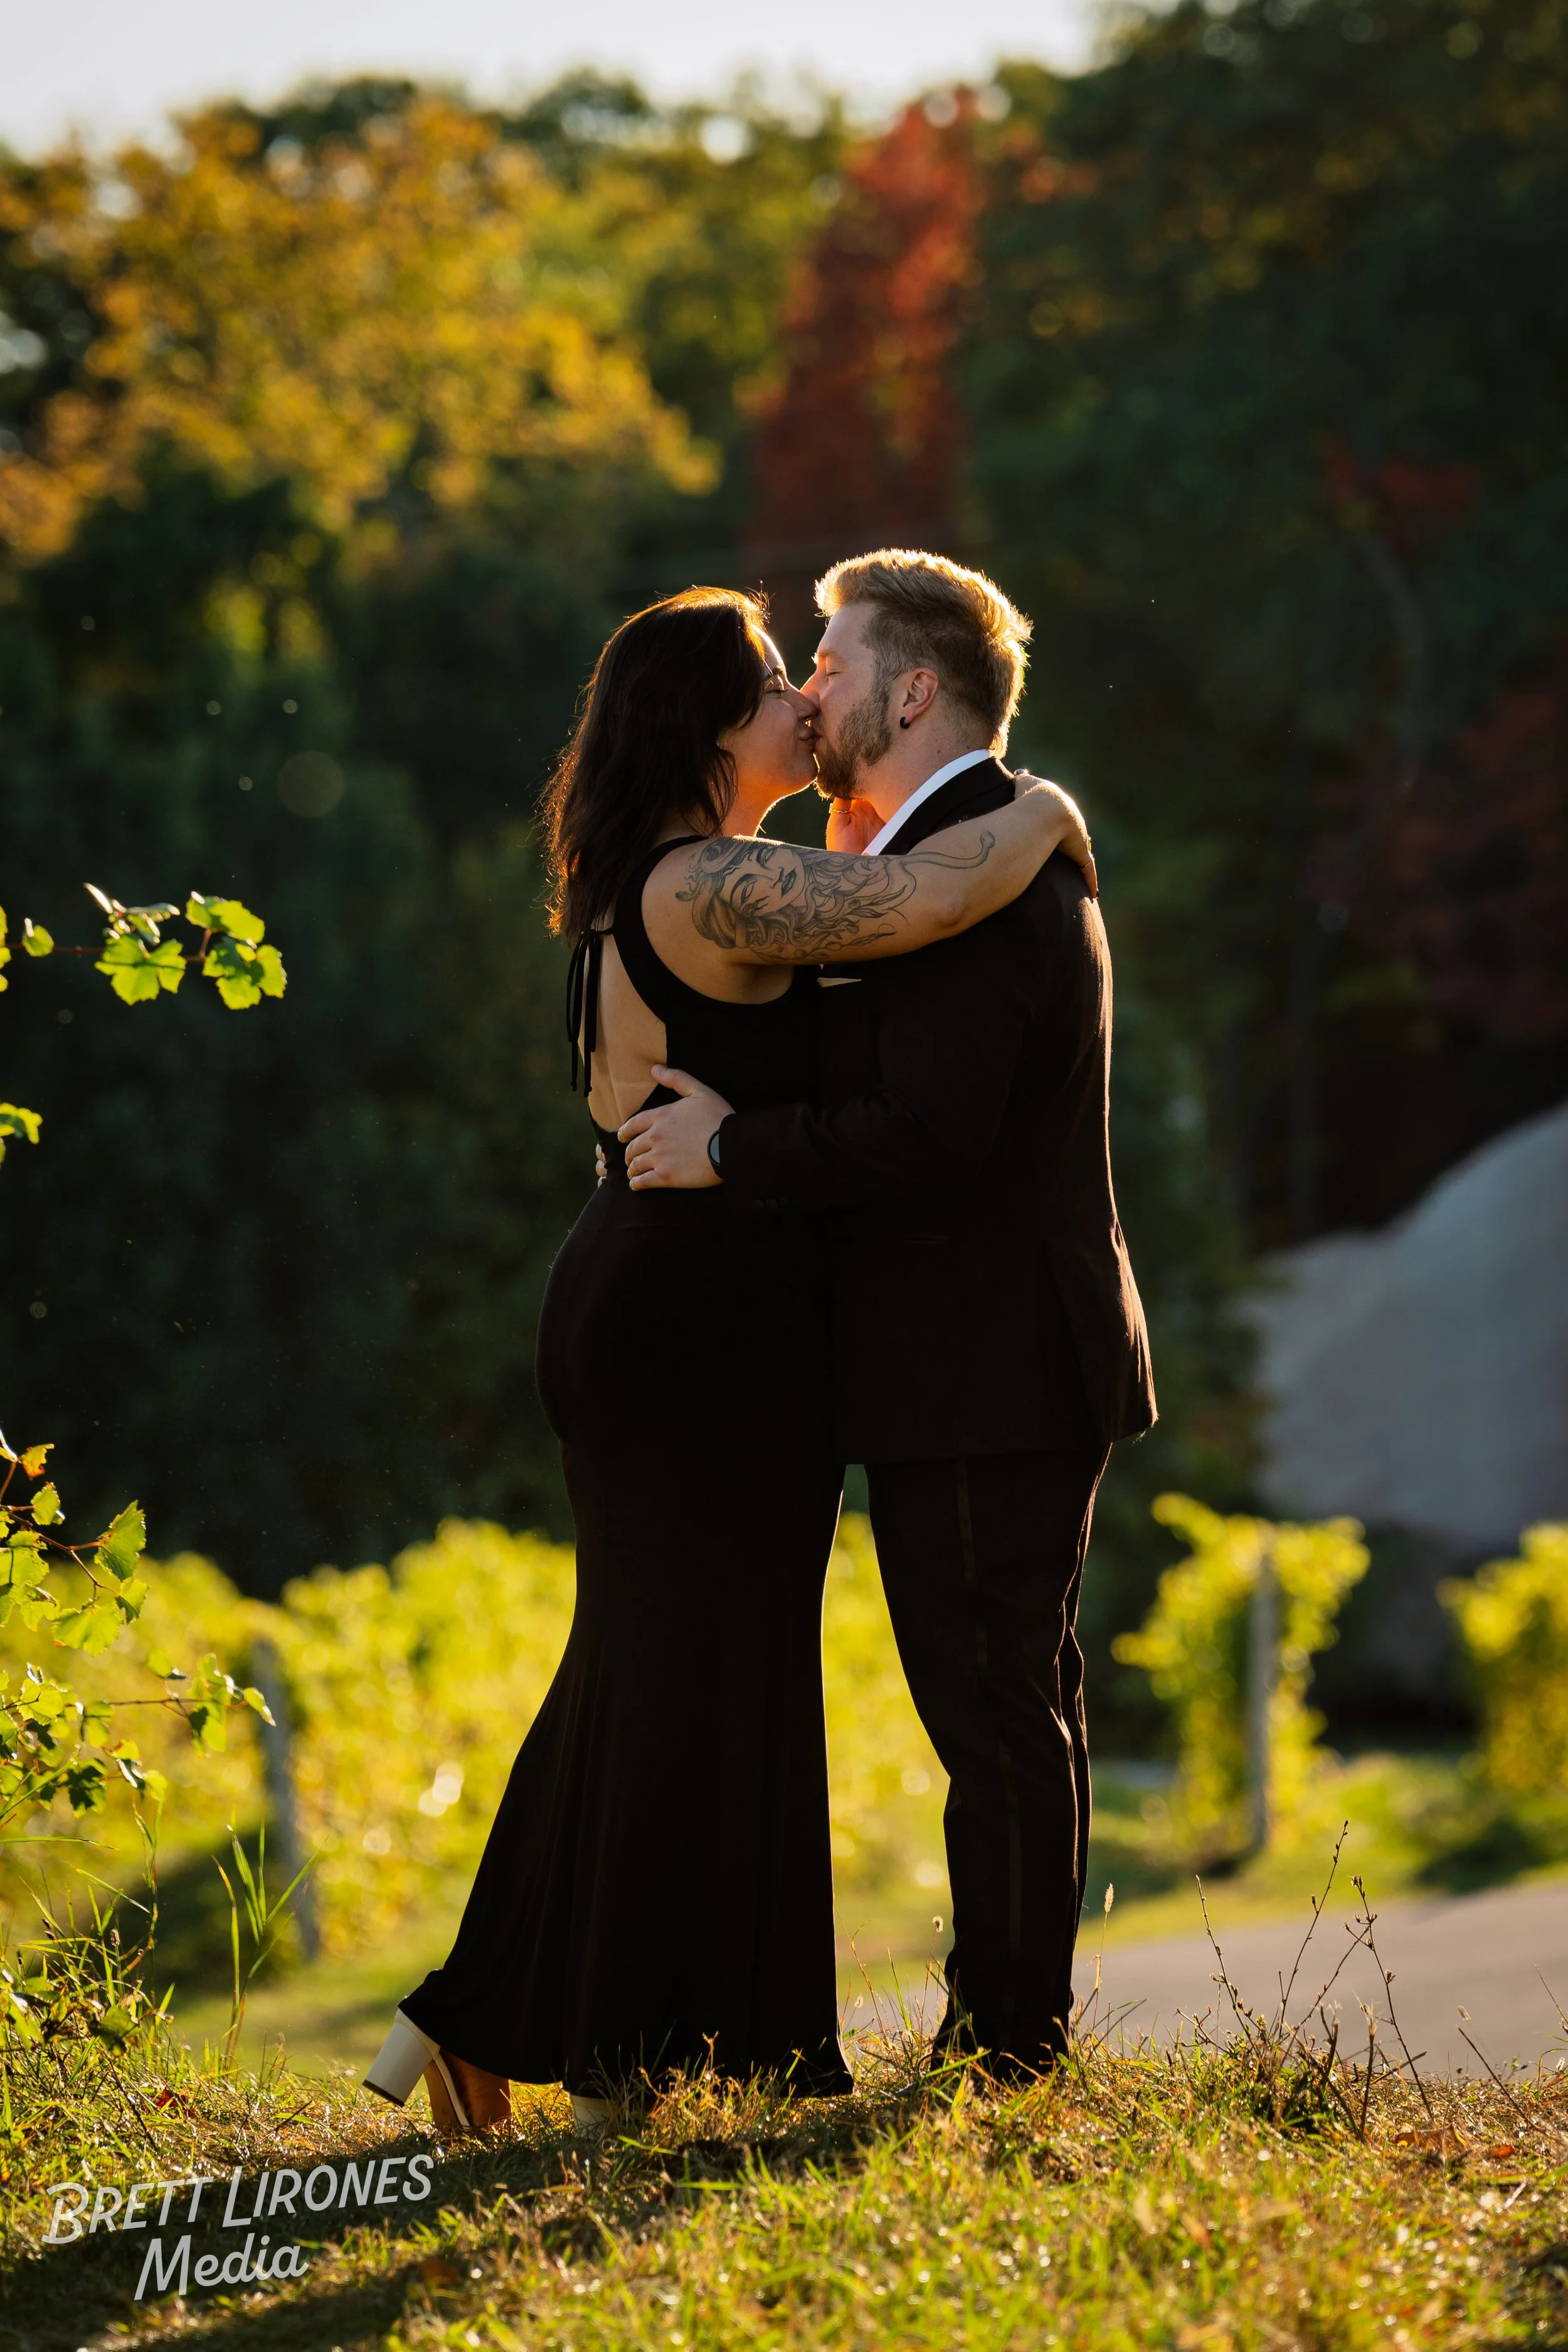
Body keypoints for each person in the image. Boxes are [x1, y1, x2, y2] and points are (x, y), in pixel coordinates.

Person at [363, 585, 1096, 2134]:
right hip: (693, 1324)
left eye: (809, 668)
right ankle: (586, 2026)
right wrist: (1047, 811)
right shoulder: (707, 882)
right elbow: (917, 908)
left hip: (664, 1303)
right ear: (708, 726)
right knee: (685, 1665)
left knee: (659, 1663)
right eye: (775, 677)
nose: (800, 699)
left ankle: (557, 2025)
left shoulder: (670, 877)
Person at [618, 551, 1157, 2081]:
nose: (807, 691)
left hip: (985, 1361)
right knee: (1002, 1706)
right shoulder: (955, 849)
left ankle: (1005, 2048)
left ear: (913, 689)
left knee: (990, 1714)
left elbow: (928, 1134)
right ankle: (1003, 2029)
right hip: (971, 1359)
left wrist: (730, 1145)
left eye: (831, 664)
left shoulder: (985, 854)